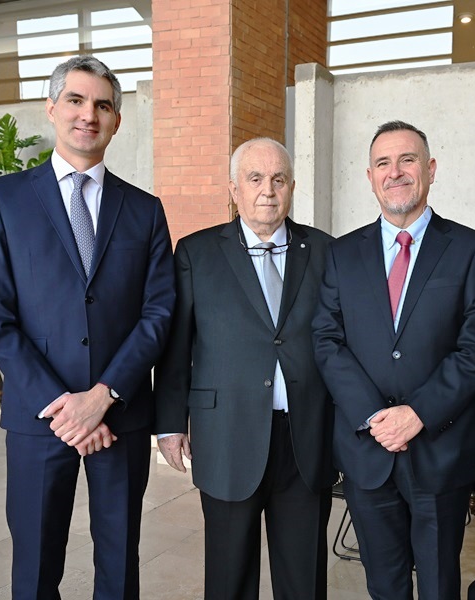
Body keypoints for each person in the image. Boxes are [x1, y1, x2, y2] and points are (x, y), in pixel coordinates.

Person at [0, 55, 176, 599]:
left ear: (117, 121)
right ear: (51, 108)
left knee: (120, 564)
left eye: (103, 106)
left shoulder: (145, 210)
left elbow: (158, 313)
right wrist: (66, 406)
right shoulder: (4, 199)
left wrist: (102, 396)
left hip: (121, 415)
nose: (89, 115)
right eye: (76, 100)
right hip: (40, 417)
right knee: (35, 567)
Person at [313, 120, 475, 599]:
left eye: (407, 160)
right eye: (383, 163)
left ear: (430, 169)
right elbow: (327, 340)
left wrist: (418, 413)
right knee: (384, 584)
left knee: (439, 585)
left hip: (439, 451)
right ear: (370, 177)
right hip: (368, 450)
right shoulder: (341, 254)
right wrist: (375, 416)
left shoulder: (470, 249)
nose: (394, 172)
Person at [154, 138, 335, 600]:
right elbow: (176, 347)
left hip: (305, 437)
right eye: (255, 179)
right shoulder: (195, 252)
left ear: (291, 186)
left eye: (278, 179)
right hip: (226, 434)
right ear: (234, 189)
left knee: (304, 580)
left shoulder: (325, 250)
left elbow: (340, 343)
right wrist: (170, 424)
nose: (267, 191)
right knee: (229, 577)